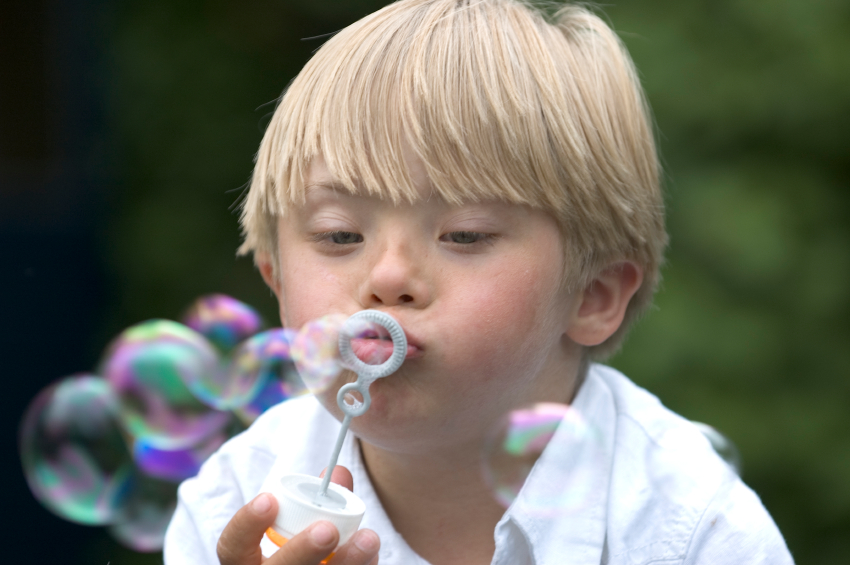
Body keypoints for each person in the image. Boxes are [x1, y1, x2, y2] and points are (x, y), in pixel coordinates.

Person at [164, 0, 794, 563]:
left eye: (464, 235)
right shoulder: (238, 502)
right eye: (339, 236)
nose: (386, 277)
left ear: (593, 294)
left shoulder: (692, 530)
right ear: (274, 279)